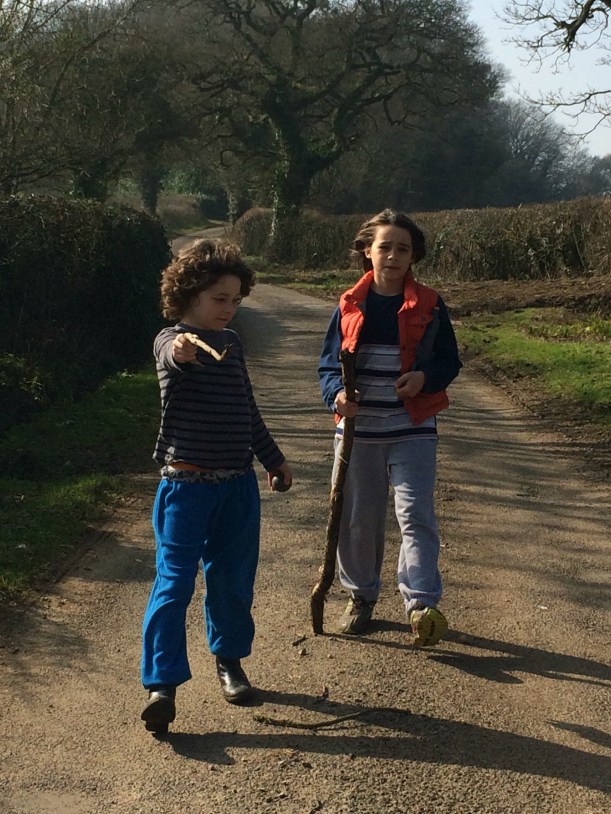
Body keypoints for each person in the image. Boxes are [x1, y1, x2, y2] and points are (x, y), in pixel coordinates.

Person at [141, 238, 292, 733]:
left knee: (231, 581)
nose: (228, 308)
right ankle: (161, 685)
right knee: (174, 583)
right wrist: (181, 350)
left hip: (237, 486)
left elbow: (247, 408)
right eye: (218, 299)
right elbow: (171, 356)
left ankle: (230, 662)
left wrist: (272, 458)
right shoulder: (171, 340)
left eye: (235, 300)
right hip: (185, 488)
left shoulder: (233, 344)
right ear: (188, 296)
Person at [318, 209, 461, 646]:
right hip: (358, 434)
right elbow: (328, 366)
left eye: (403, 249)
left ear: (414, 255)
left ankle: (421, 605)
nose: (394, 256)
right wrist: (336, 396)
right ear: (367, 251)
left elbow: (449, 362)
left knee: (415, 514)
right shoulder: (349, 304)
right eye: (385, 247)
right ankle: (360, 596)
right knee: (358, 518)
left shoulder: (431, 304)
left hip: (412, 428)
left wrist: (424, 379)